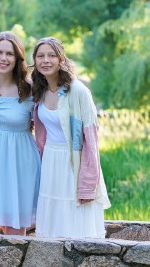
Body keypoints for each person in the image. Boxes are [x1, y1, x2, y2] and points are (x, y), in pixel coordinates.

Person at [30, 36, 111, 238]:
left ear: (61, 60)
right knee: (53, 223)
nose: (46, 60)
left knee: (75, 220)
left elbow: (91, 141)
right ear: (35, 60)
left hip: (73, 161)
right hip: (50, 160)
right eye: (40, 56)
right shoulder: (39, 91)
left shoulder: (77, 92)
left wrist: (88, 184)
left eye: (51, 55)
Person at [0, 31, 40, 235]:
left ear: (18, 58)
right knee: (3, 222)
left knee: (16, 225)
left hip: (19, 161)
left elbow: (44, 123)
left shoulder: (29, 88)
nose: (3, 58)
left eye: (9, 54)